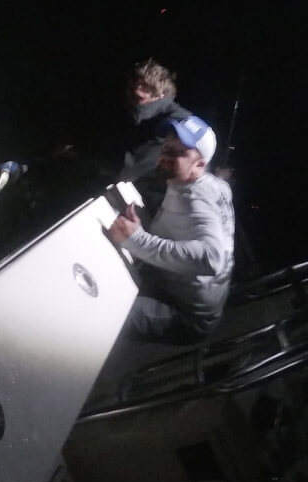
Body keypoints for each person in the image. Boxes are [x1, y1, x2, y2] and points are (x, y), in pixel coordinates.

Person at [109, 115, 235, 344]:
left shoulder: (197, 196)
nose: (166, 156)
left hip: (185, 316)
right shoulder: (207, 184)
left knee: (104, 309)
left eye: (180, 152)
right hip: (169, 283)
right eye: (167, 147)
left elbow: (212, 258)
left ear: (200, 163)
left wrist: (136, 239)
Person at [118, 58, 192, 215]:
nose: (137, 90)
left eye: (146, 86)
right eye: (135, 84)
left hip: (154, 207)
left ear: (162, 93)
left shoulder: (177, 119)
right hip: (124, 193)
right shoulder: (130, 116)